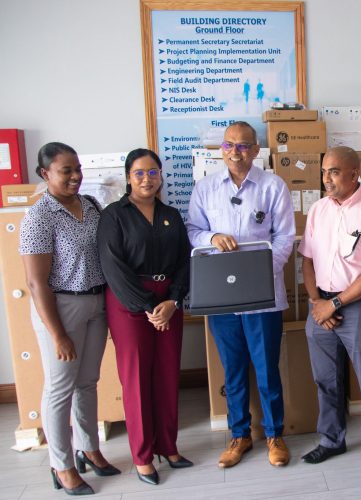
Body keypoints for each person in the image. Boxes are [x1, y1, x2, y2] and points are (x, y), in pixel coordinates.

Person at [186, 121, 295, 468]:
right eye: (230, 145)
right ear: (221, 148)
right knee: (232, 370)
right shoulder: (205, 188)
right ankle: (239, 435)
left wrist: (259, 276)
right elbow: (192, 230)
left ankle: (275, 435)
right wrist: (212, 238)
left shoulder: (273, 186)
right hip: (222, 298)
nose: (237, 152)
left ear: (257, 150)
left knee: (266, 370)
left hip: (263, 296)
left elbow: (284, 238)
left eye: (245, 146)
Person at [20, 142, 120, 496]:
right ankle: (61, 466)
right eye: (66, 171)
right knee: (60, 388)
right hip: (61, 308)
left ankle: (89, 449)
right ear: (45, 174)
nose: (76, 176)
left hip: (96, 303)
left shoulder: (90, 206)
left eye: (78, 168)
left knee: (88, 382)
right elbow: (35, 282)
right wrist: (57, 334)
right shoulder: (39, 216)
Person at [97, 148, 192, 485]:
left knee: (167, 375)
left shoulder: (171, 215)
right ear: (127, 177)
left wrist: (173, 300)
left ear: (160, 175)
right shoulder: (113, 216)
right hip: (129, 306)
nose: (147, 179)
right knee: (136, 380)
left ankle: (168, 445)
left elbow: (185, 260)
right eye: (139, 173)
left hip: (169, 303)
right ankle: (142, 455)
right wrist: (149, 307)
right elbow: (113, 267)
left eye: (153, 172)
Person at [298, 147, 361, 477]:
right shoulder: (318, 210)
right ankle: (331, 440)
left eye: (334, 171)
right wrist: (316, 302)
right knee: (326, 380)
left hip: (358, 305)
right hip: (320, 304)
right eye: (324, 171)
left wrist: (334, 304)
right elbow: (307, 260)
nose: (327, 178)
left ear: (354, 174)